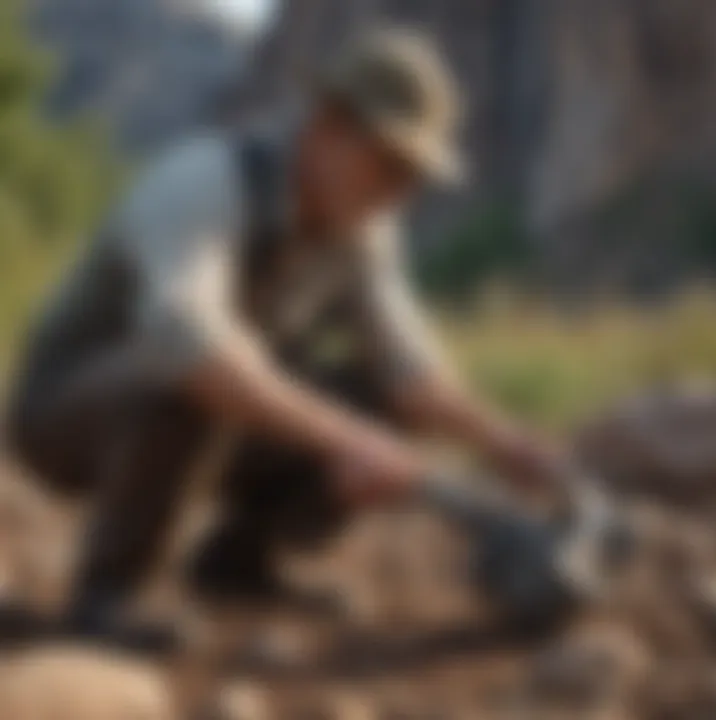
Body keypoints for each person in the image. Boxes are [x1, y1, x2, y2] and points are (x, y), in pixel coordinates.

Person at [7, 28, 564, 643]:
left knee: (373, 398)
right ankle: (107, 598)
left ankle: (238, 563)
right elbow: (190, 344)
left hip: (213, 409)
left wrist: (506, 446)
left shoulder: (363, 230)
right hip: (64, 411)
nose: (402, 191)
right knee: (194, 381)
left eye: (414, 175)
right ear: (328, 129)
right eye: (391, 163)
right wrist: (350, 440)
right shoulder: (201, 181)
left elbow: (411, 373)